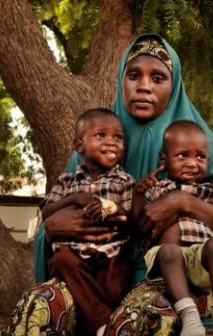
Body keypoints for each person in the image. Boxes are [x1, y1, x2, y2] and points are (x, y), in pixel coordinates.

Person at [3, 34, 213, 336]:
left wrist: (182, 203)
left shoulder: (197, 143)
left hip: (167, 281)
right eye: (134, 75)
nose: (143, 85)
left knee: (140, 321)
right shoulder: (98, 136)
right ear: (121, 79)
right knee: (35, 308)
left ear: (175, 86)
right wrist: (52, 229)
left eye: (157, 78)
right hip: (90, 278)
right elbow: (51, 220)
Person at [132, 120, 213, 336]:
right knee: (170, 250)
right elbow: (138, 225)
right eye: (182, 155)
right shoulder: (160, 189)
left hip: (202, 261)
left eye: (200, 157)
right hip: (168, 265)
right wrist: (138, 195)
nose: (192, 163)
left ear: (208, 160)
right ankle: (190, 317)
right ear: (164, 158)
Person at [39, 108, 134, 336]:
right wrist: (73, 199)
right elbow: (45, 213)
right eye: (101, 135)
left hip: (110, 257)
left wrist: (112, 210)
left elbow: (130, 216)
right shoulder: (67, 181)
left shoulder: (124, 181)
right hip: (74, 257)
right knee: (60, 261)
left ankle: (94, 320)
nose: (111, 142)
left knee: (116, 281)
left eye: (118, 137)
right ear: (79, 146)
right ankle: (105, 326)